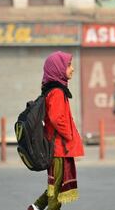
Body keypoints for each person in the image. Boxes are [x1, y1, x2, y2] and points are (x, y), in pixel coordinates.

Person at [28, 51, 85, 210]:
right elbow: (57, 118)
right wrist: (70, 137)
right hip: (59, 148)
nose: (72, 69)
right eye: (68, 65)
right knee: (57, 190)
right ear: (58, 68)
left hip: (58, 147)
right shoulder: (57, 92)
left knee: (55, 185)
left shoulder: (53, 90)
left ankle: (34, 207)